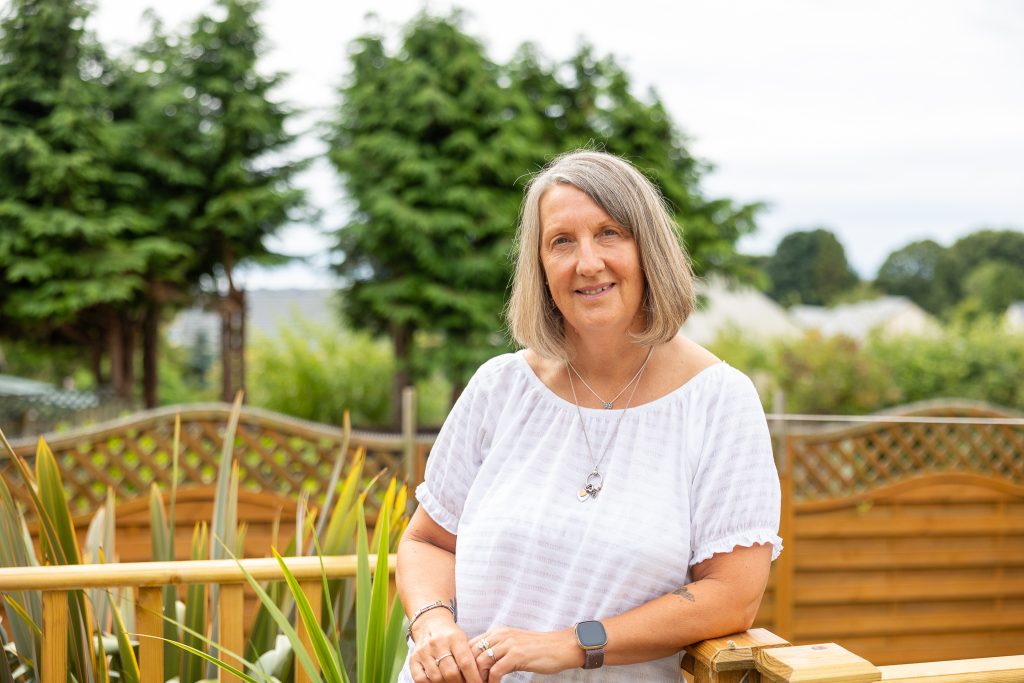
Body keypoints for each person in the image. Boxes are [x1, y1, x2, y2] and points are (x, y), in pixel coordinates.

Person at [397, 150, 782, 682]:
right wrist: (432, 621)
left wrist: (573, 644)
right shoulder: (500, 387)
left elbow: (731, 596)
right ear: (539, 266)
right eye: (561, 242)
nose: (588, 263)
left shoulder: (719, 402)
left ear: (649, 249)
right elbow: (426, 541)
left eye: (609, 234)